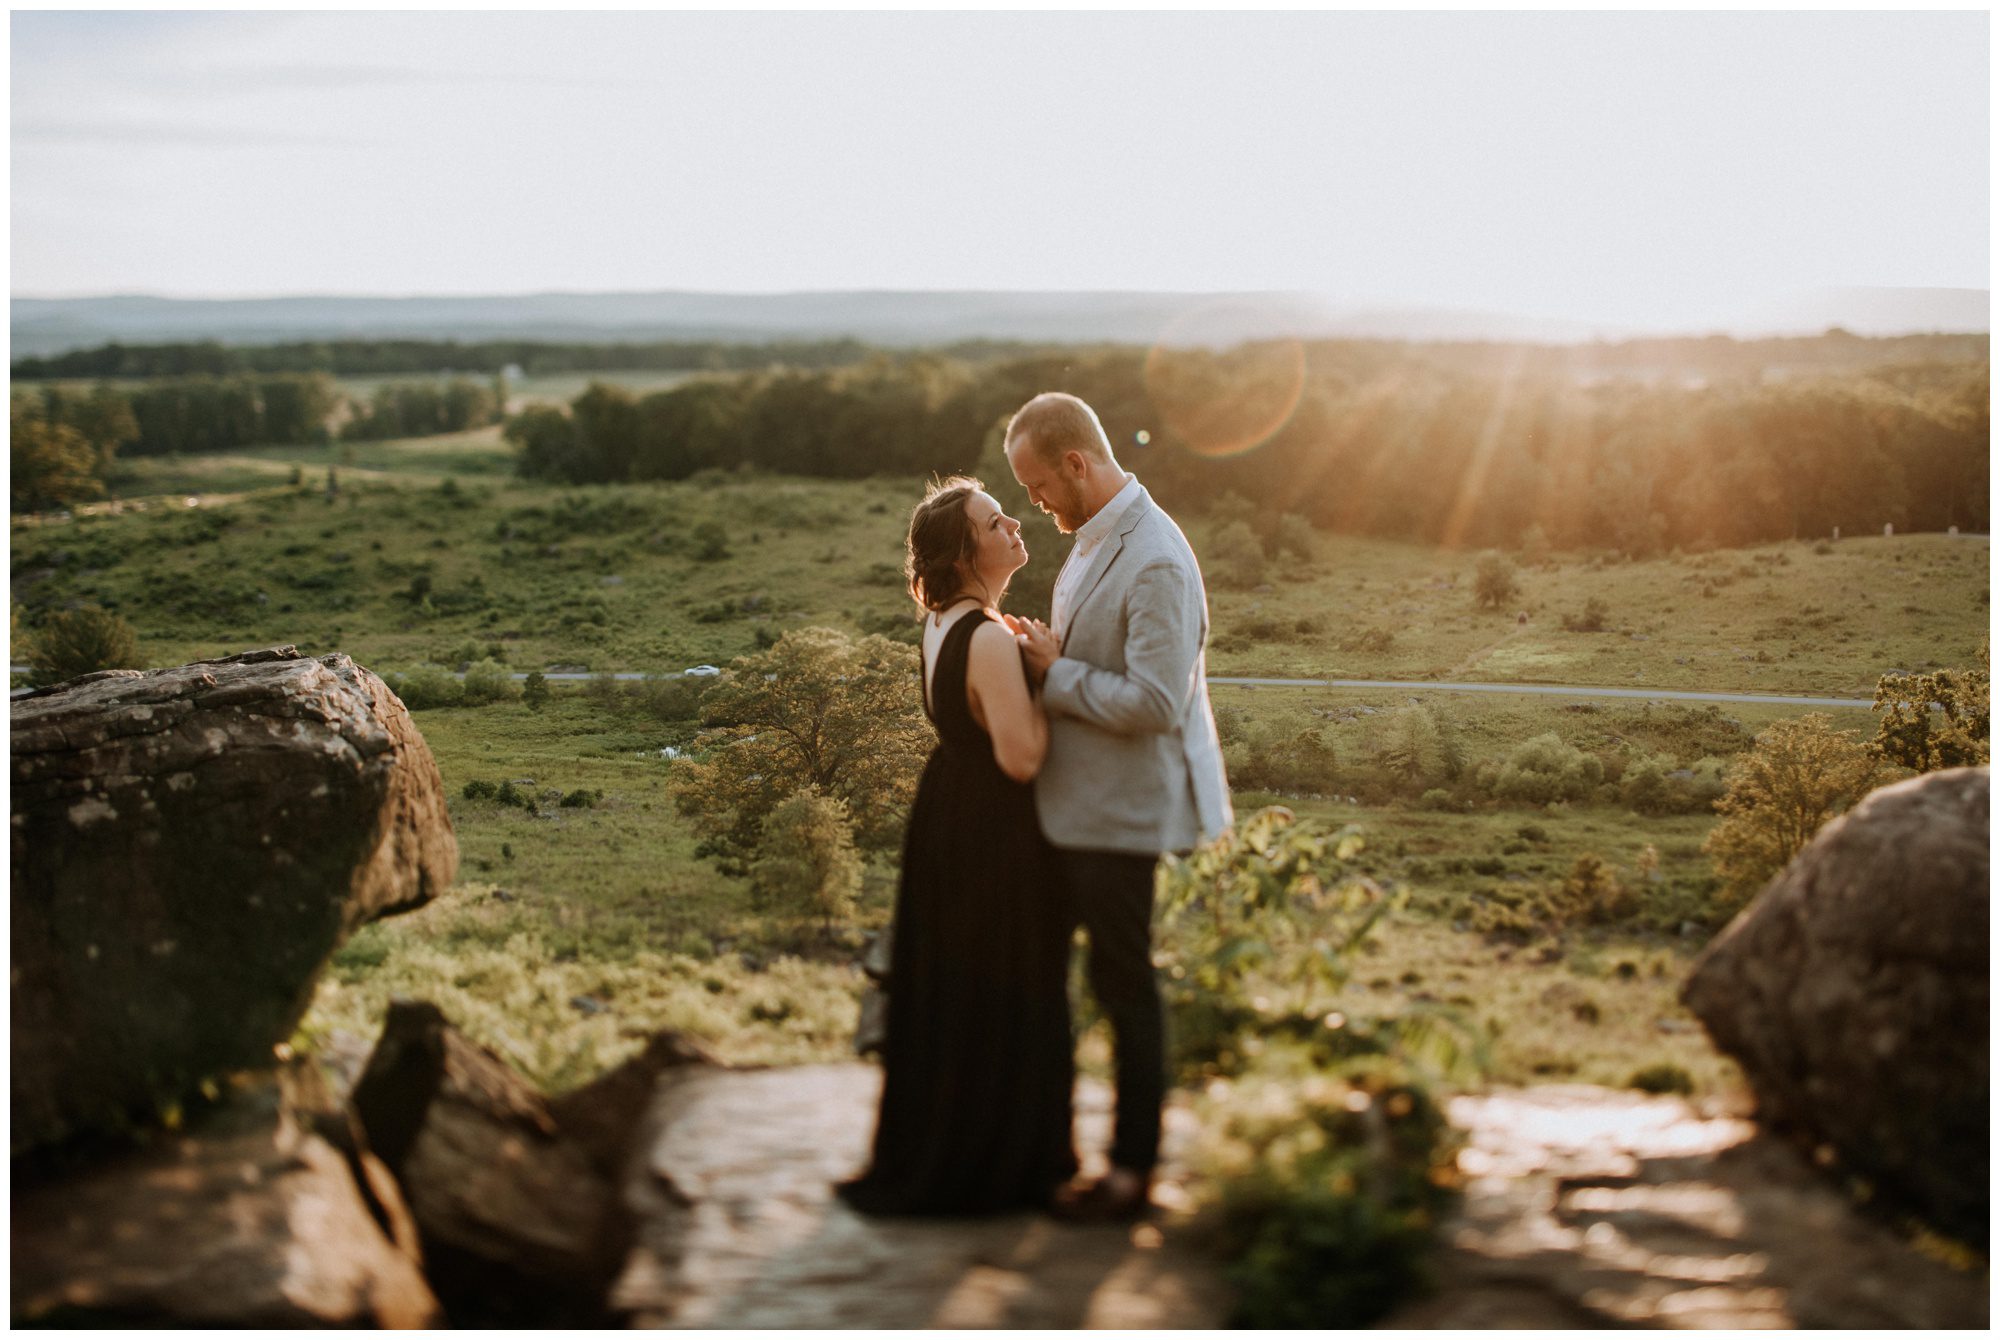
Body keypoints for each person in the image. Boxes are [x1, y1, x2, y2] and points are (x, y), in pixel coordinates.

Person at [1002, 392, 1233, 1223]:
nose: (1036, 503)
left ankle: (1133, 1173)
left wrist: (1052, 674)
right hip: (1079, 805)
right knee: (1070, 979)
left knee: (1124, 985)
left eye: (1037, 486)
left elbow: (1157, 703)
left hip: (1124, 811)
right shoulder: (1096, 537)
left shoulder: (1156, 559)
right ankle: (1056, 1152)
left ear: (1076, 463)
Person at [836, 476, 1079, 1216]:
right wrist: (1052, 674)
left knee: (957, 991)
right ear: (965, 552)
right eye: (995, 521)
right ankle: (1003, 1162)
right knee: (1010, 985)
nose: (1014, 526)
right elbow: (1022, 758)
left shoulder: (941, 623)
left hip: (947, 815)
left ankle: (952, 1144)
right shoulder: (991, 640)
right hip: (993, 830)